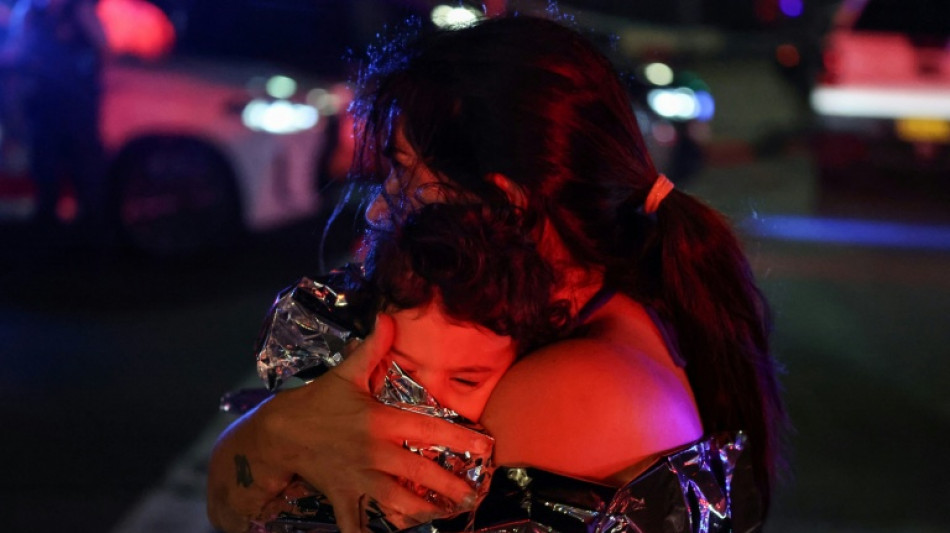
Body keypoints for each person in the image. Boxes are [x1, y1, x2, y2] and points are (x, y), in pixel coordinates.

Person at [207, 15, 786, 533]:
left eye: (404, 171)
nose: (382, 207)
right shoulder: (527, 317)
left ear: (502, 204)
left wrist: (277, 442)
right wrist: (275, 432)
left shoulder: (573, 389)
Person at [1, 0, 108, 232]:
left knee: (82, 163)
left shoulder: (79, 10)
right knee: (45, 161)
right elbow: (19, 47)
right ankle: (48, 221)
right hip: (44, 100)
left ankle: (90, 224)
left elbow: (102, 45)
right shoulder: (31, 12)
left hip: (76, 103)